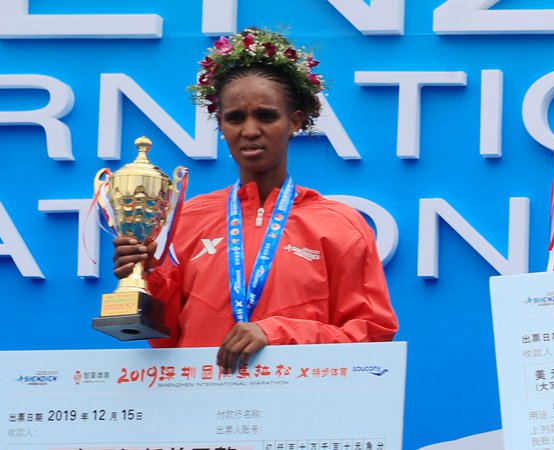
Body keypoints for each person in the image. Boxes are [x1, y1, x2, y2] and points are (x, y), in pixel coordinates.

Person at [112, 27, 397, 371]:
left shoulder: (341, 225)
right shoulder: (187, 218)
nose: (249, 130)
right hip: (200, 400)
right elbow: (166, 339)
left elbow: (372, 336)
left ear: (294, 122)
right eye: (235, 118)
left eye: (266, 115)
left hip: (303, 402)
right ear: (221, 125)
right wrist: (146, 275)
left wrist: (278, 334)